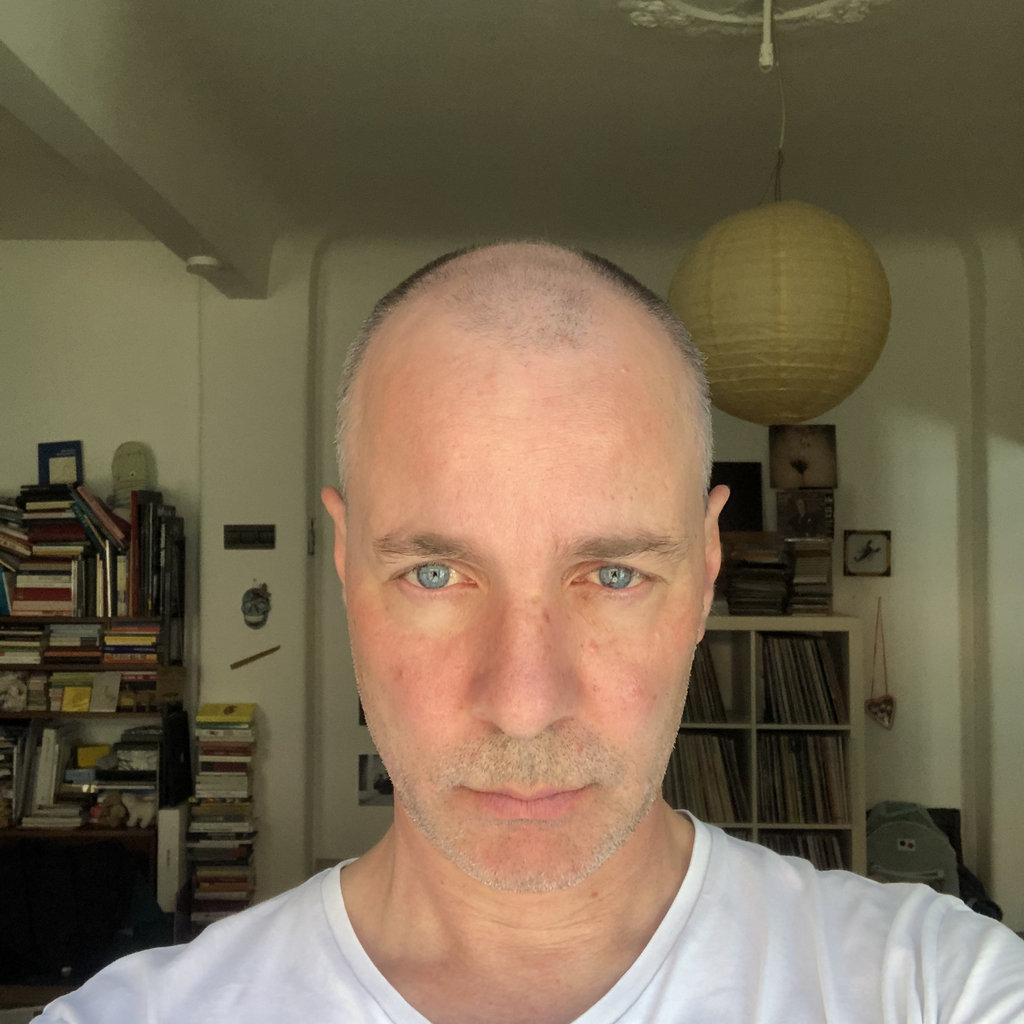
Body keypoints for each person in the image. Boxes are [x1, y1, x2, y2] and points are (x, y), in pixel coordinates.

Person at [40, 242, 1024, 1022]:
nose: (522, 703)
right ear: (345, 562)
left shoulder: (935, 989)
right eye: (435, 573)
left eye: (613, 574)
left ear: (706, 569)